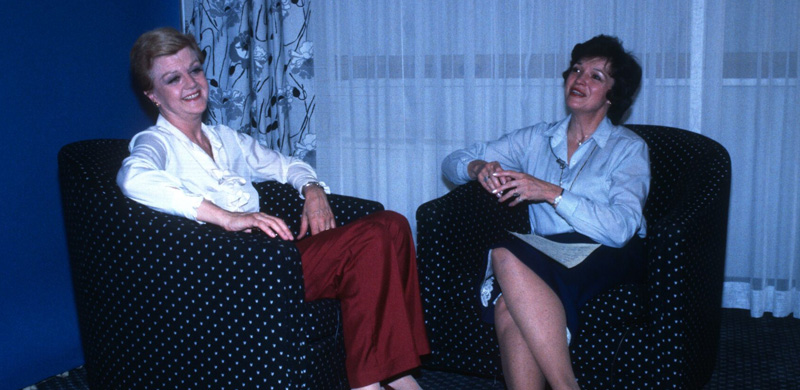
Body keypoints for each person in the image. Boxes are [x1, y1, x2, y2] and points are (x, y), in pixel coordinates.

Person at [118, 27, 429, 390]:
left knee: (392, 224)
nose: (191, 83)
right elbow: (133, 178)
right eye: (173, 79)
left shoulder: (224, 139)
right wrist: (227, 217)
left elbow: (286, 165)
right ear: (152, 95)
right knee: (370, 237)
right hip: (229, 272)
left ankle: (394, 371)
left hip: (271, 259)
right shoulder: (155, 142)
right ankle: (368, 384)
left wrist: (313, 190)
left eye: (195, 70)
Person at [441, 35, 648, 390]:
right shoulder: (538, 138)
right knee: (508, 303)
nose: (579, 79)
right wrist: (477, 168)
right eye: (576, 70)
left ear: (613, 95)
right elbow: (453, 161)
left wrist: (551, 192)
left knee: (504, 256)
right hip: (550, 250)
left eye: (596, 76)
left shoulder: (628, 148)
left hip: (610, 251)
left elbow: (621, 228)